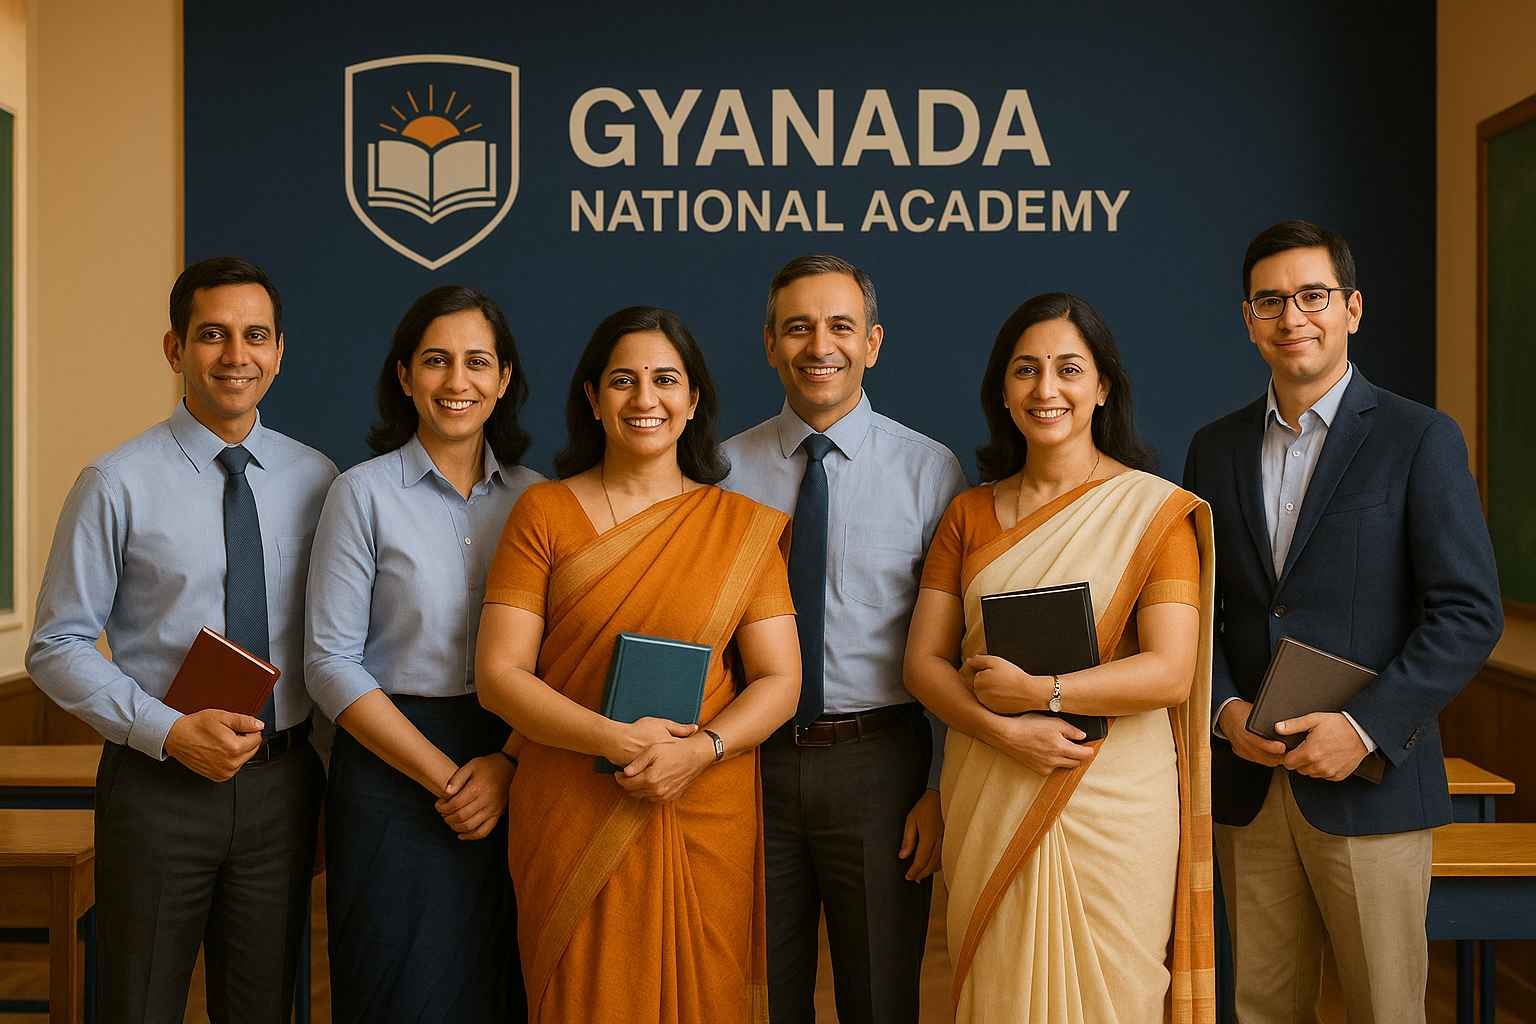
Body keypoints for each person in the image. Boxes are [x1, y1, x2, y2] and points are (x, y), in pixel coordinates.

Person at [1183, 220, 1502, 1022]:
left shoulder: (1419, 438)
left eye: (1313, 296)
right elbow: (1198, 608)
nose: (1293, 317)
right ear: (1248, 319)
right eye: (1270, 301)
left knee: (1384, 1009)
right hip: (1251, 786)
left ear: (1351, 309)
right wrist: (1225, 712)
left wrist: (1361, 728)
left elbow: (1468, 613)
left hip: (1372, 787)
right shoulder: (1213, 449)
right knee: (1258, 1006)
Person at [26, 257, 336, 1021]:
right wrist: (169, 732)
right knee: (137, 1003)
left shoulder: (320, 480)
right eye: (212, 335)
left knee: (265, 1006)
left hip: (282, 787)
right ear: (175, 349)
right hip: (157, 785)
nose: (236, 356)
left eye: (255, 336)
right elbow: (56, 644)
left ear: (279, 351)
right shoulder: (116, 482)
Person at [474, 305, 801, 1023]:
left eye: (665, 380)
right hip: (572, 798)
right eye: (623, 380)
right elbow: (500, 674)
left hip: (703, 802)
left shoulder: (740, 526)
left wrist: (705, 751)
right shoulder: (545, 513)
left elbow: (781, 680)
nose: (644, 399)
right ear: (593, 400)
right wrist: (613, 740)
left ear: (692, 402)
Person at [904, 292, 1216, 1023]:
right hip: (991, 785)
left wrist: (1040, 693)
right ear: (1003, 392)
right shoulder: (968, 514)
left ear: (1103, 387)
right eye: (1026, 371)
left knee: (1117, 992)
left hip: (1117, 802)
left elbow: (1171, 671)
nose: (1047, 390)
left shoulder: (1153, 512)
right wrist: (1003, 729)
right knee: (1002, 991)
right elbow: (922, 664)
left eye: (1069, 369)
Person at [721, 254, 968, 1023]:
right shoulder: (720, 470)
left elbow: (959, 650)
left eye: (839, 326)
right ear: (768, 343)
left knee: (882, 997)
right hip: (748, 765)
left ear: (873, 342)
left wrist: (939, 787)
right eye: (797, 327)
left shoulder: (931, 471)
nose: (818, 345)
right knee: (758, 997)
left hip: (881, 769)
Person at [304, 286, 540, 1021]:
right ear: (404, 376)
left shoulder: (540, 499)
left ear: (504, 380)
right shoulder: (360, 495)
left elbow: (562, 659)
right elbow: (330, 662)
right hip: (389, 766)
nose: (457, 381)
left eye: (477, 362)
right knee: (393, 986)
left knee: (499, 979)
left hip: (514, 754)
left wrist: (504, 764)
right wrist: (447, 777)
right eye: (436, 361)